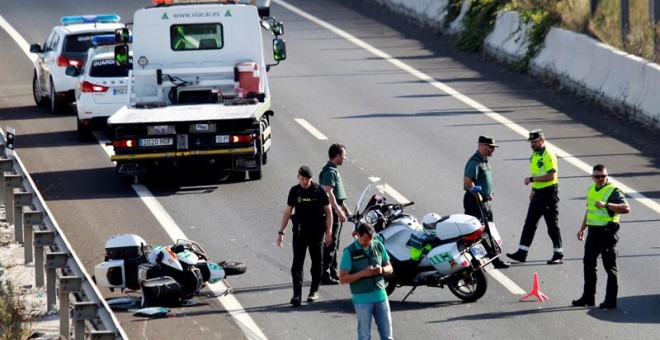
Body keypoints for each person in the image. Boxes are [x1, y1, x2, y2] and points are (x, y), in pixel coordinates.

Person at [572, 164, 629, 309]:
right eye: (597, 176)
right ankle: (588, 297)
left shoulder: (613, 190)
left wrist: (607, 205)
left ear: (606, 176)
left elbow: (626, 208)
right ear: (592, 177)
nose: (600, 179)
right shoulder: (591, 189)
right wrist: (582, 228)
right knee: (589, 264)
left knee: (610, 268)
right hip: (593, 232)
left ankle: (610, 301)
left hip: (608, 233)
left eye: (603, 176)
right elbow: (590, 210)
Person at [277, 166, 333, 306]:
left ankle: (314, 291)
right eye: (302, 179)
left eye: (307, 179)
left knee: (317, 264)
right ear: (298, 177)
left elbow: (329, 211)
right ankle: (297, 294)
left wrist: (329, 232)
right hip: (300, 233)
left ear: (311, 179)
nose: (305, 182)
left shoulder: (319, 191)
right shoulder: (295, 191)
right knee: (297, 265)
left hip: (317, 234)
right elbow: (288, 211)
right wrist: (281, 232)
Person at [507, 129, 564, 265]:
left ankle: (558, 253)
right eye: (531, 142)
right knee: (529, 224)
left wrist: (532, 180)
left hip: (548, 193)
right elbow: (539, 172)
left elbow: (551, 176)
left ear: (542, 140)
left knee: (551, 225)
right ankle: (522, 252)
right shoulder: (535, 154)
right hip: (538, 193)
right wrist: (533, 190)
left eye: (535, 141)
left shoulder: (547, 154)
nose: (532, 144)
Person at [339, 222, 394, 340]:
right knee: (364, 336)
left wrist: (382, 269)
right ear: (358, 235)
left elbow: (390, 268)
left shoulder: (378, 245)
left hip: (381, 297)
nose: (368, 244)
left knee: (388, 336)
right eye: (365, 241)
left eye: (370, 240)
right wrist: (362, 273)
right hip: (362, 299)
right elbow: (342, 278)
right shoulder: (349, 252)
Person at [463, 135, 511, 269]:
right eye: (491, 148)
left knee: (489, 230)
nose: (493, 150)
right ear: (483, 146)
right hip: (475, 202)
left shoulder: (484, 161)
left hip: (484, 202)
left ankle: (494, 259)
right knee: (474, 232)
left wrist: (488, 194)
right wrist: (478, 194)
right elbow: (468, 182)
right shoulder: (475, 162)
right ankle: (471, 261)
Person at [320, 143, 351, 285]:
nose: (344, 158)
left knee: (336, 243)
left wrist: (345, 209)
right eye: (343, 155)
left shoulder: (332, 170)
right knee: (330, 242)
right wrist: (339, 212)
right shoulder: (329, 172)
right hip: (330, 213)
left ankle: (332, 271)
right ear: (337, 156)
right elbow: (329, 194)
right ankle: (324, 274)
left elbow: (337, 196)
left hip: (335, 211)